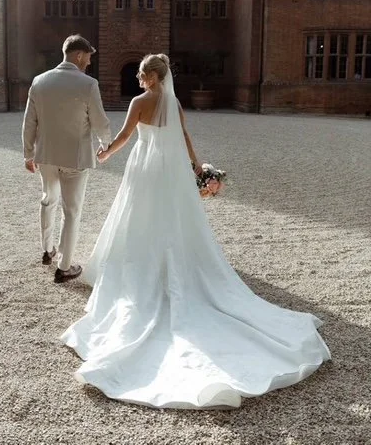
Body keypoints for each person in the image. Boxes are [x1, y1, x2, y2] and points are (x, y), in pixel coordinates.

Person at [60, 53, 330, 409]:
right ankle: (174, 265)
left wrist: (106, 153)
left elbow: (126, 135)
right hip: (171, 170)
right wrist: (197, 165)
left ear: (153, 78)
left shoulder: (141, 102)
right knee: (176, 219)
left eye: (142, 75)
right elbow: (184, 134)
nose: (139, 79)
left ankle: (146, 271)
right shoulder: (172, 102)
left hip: (146, 168)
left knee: (140, 218)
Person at [22, 34, 111, 284]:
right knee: (72, 211)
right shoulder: (88, 84)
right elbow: (100, 121)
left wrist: (28, 153)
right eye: (89, 57)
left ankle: (47, 250)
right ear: (79, 55)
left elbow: (29, 122)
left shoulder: (39, 82)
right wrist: (106, 144)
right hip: (75, 157)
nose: (90, 63)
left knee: (48, 200)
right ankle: (65, 266)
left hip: (46, 155)